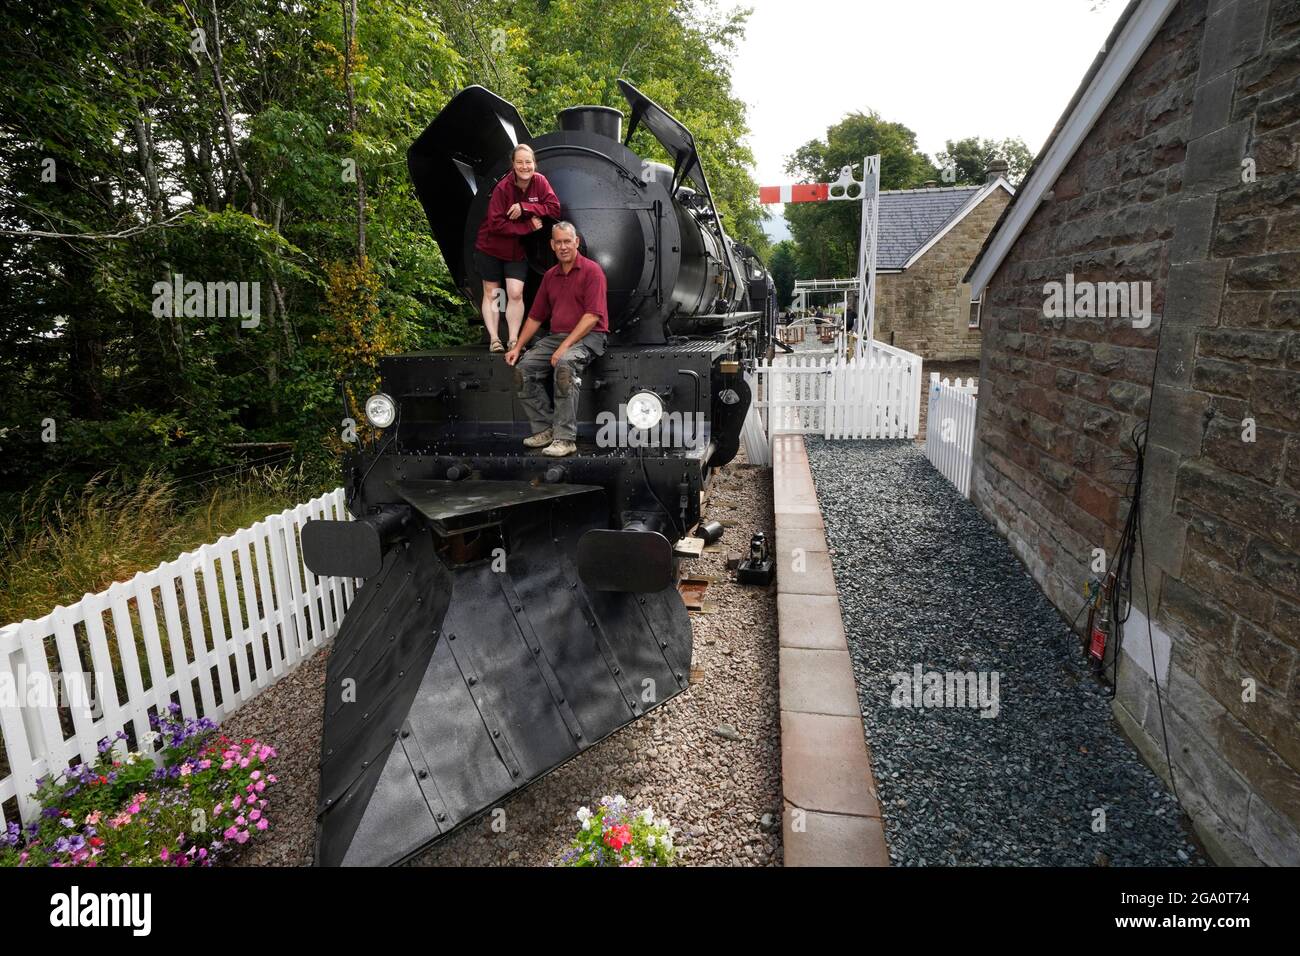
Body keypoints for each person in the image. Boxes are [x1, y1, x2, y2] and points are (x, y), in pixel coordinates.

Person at [504, 222, 607, 458]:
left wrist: (563, 348)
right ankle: (545, 429)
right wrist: (517, 347)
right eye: (558, 242)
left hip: (590, 336)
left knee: (564, 367)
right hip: (558, 336)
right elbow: (536, 316)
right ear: (552, 245)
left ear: (576, 242)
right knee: (523, 370)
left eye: (567, 241)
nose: (563, 247)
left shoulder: (593, 271)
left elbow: (592, 317)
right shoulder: (550, 276)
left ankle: (565, 438)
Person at [473, 144, 561, 352]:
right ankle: (495, 339)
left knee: (514, 293)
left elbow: (554, 207)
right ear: (513, 164)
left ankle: (513, 339)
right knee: (494, 293)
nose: (525, 166)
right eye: (520, 162)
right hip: (491, 246)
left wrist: (526, 207)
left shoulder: (540, 182)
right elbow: (495, 224)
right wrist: (527, 226)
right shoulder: (503, 188)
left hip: (516, 250)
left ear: (534, 164)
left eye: (528, 162)